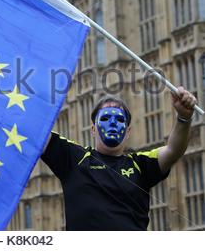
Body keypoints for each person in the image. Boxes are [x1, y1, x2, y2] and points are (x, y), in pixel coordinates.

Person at [41, 86, 197, 230]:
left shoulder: (140, 164)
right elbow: (38, 133)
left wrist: (184, 118)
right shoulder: (74, 159)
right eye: (105, 119)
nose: (113, 124)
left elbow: (173, 150)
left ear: (128, 132)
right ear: (93, 130)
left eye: (120, 120)